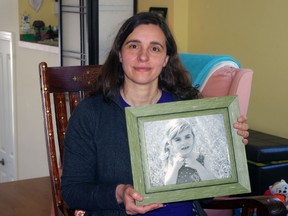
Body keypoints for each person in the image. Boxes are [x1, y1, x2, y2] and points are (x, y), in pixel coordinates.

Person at [61, 12, 249, 216]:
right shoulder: (90, 114)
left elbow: (206, 195)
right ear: (120, 54)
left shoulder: (187, 109)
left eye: (155, 48)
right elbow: (73, 192)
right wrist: (119, 193)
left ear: (166, 58)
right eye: (134, 46)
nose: (143, 56)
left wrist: (228, 147)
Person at [162, 119, 215, 186]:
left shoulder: (202, 158)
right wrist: (175, 168)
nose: (184, 143)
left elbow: (213, 181)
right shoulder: (173, 160)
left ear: (193, 137)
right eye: (178, 139)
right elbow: (168, 184)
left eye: (187, 137)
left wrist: (198, 166)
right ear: (171, 143)